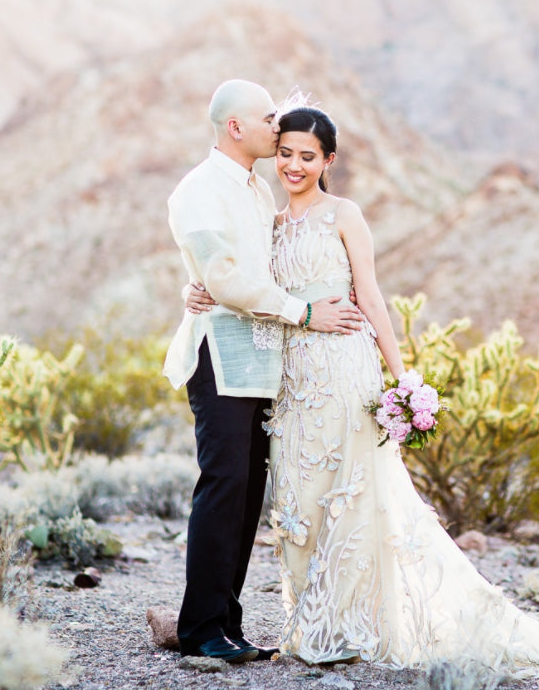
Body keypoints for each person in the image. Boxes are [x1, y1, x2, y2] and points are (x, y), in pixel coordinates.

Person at [185, 103, 539, 679]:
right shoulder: (271, 221)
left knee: (354, 496)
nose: (294, 166)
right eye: (285, 154)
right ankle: (310, 625)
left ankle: (351, 628)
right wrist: (197, 290)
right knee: (300, 502)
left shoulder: (344, 215)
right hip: (291, 380)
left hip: (344, 370)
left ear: (328, 160)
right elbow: (244, 281)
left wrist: (402, 376)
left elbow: (373, 298)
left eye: (308, 157)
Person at [163, 81, 364, 664]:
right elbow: (222, 277)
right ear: (235, 127)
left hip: (264, 362)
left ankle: (226, 624)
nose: (277, 128)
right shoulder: (198, 191)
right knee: (223, 486)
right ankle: (200, 627)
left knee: (247, 496)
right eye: (267, 118)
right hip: (220, 357)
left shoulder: (254, 190)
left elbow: (253, 267)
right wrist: (303, 313)